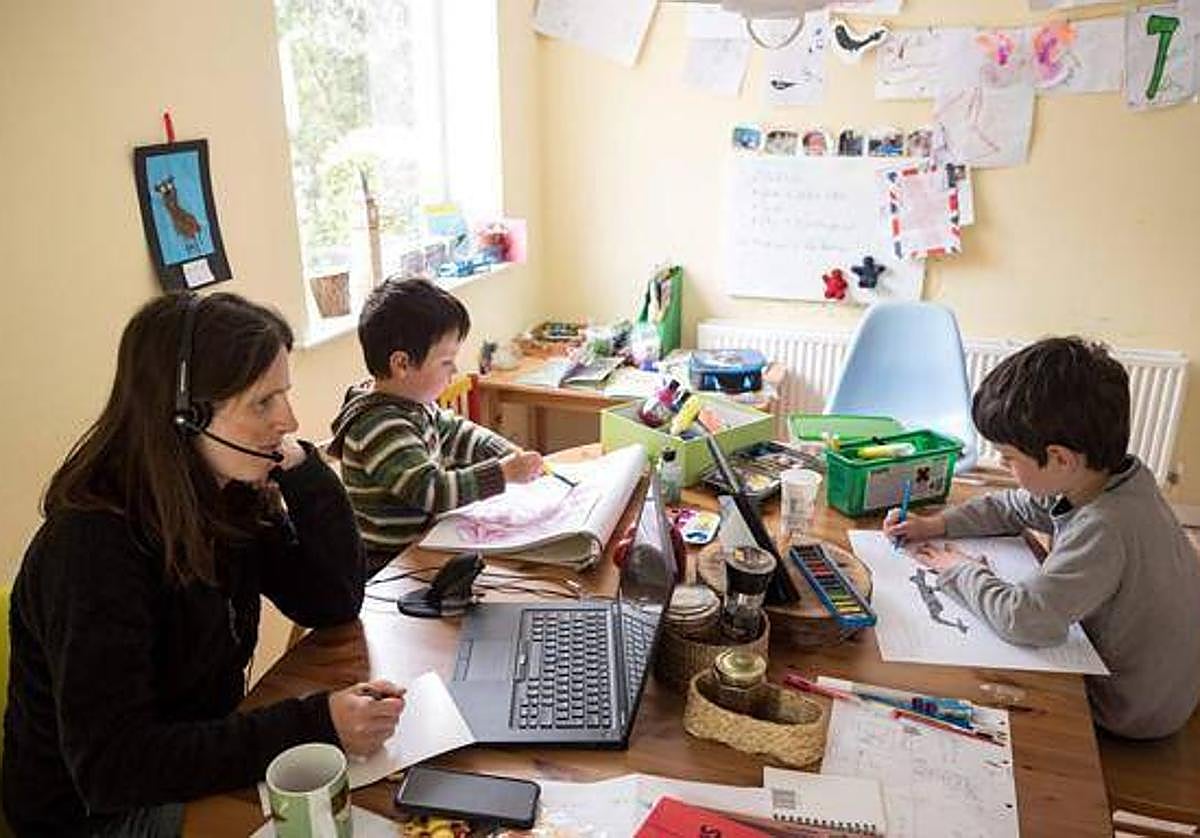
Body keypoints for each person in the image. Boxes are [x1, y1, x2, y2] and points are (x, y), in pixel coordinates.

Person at [3, 292, 404, 836]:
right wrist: (317, 724)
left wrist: (306, 470)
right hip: (98, 816)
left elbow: (330, 599)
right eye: (263, 403)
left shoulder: (224, 495)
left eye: (283, 394)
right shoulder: (91, 547)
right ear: (185, 419)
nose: (287, 419)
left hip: (191, 763)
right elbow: (114, 769)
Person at [884, 337, 1200, 739]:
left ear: (1060, 459)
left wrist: (959, 568)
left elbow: (1025, 620)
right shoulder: (1112, 478)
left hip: (1129, 710)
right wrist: (936, 525)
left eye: (1009, 457)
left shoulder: (1105, 525)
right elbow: (1016, 506)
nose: (1001, 464)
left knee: (964, 692)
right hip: (1163, 684)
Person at [329, 277, 543, 573]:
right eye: (446, 361)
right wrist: (503, 473)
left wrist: (506, 452)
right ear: (401, 364)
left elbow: (456, 431)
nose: (454, 369)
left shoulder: (413, 404)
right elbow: (431, 490)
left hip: (423, 546)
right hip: (388, 567)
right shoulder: (379, 426)